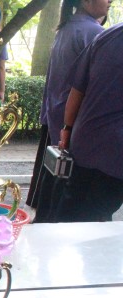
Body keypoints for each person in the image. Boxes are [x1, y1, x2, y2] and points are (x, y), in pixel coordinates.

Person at [27, 0, 109, 220]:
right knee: (71, 195)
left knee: (52, 185)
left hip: (56, 117)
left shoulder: (67, 27)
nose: (110, 0)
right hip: (73, 123)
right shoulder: (94, 33)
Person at [55, 22, 123, 222]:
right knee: (98, 214)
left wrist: (67, 129)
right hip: (116, 153)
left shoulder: (107, 36)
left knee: (72, 206)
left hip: (85, 140)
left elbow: (77, 90)